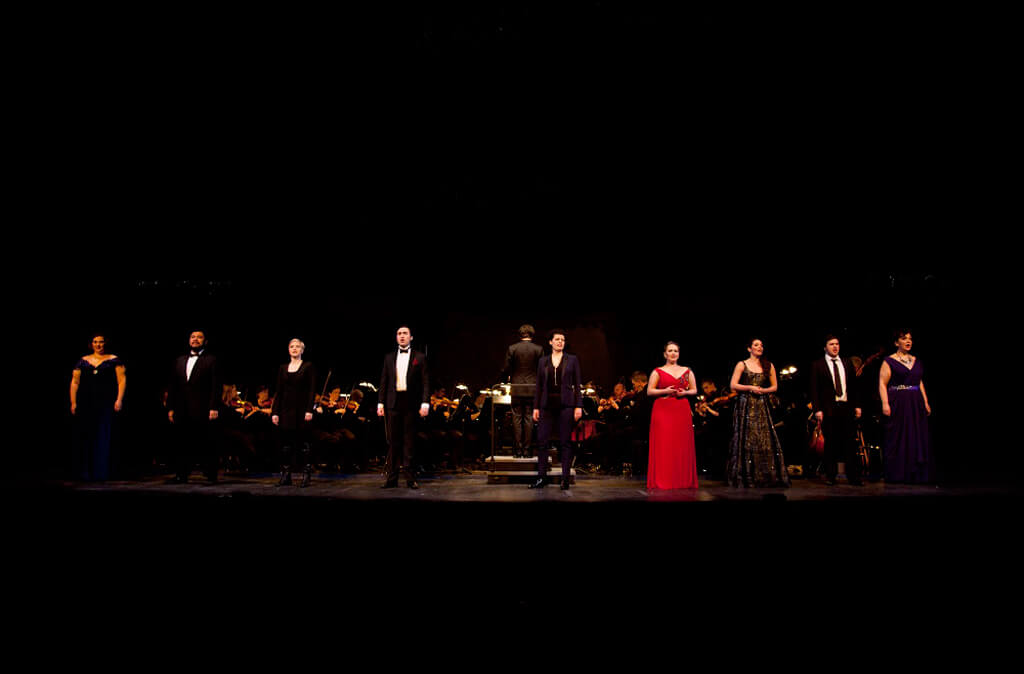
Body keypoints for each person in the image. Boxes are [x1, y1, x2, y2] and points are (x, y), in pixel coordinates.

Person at [727, 338, 789, 488]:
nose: (760, 347)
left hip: (761, 404)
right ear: (749, 348)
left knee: (763, 438)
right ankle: (746, 475)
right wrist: (750, 388)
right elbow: (733, 385)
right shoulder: (742, 364)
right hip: (746, 404)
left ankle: (765, 475)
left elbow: (774, 387)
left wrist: (763, 391)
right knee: (747, 438)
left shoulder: (768, 365)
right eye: (756, 345)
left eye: (761, 345)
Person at [377, 326, 430, 489]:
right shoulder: (389, 357)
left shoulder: (420, 357)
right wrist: (380, 402)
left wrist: (425, 402)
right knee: (393, 442)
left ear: (411, 337)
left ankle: (410, 477)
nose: (402, 336)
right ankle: (391, 479)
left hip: (411, 402)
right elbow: (384, 381)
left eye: (405, 333)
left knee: (409, 442)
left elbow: (425, 382)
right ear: (396, 337)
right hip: (393, 402)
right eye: (399, 334)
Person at [879, 329, 933, 483]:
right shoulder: (889, 360)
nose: (908, 341)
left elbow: (919, 382)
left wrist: (926, 401)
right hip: (898, 401)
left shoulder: (916, 360)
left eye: (910, 338)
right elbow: (882, 383)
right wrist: (885, 403)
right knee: (899, 435)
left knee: (916, 435)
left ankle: (916, 473)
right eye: (904, 339)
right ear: (897, 343)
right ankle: (898, 473)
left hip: (915, 402)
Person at [530, 329, 583, 490]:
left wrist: (578, 406)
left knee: (565, 442)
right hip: (546, 406)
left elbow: (577, 385)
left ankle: (565, 478)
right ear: (550, 342)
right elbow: (539, 387)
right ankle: (541, 478)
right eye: (557, 339)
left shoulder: (572, 360)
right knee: (542, 442)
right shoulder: (543, 361)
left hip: (566, 406)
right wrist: (536, 407)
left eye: (563, 340)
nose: (560, 342)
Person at [167, 330, 221, 483]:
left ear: (205, 341)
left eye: (199, 337)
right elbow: (173, 386)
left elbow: (216, 385)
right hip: (182, 408)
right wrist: (171, 407)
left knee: (206, 441)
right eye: (192, 337)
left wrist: (214, 407)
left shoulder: (211, 360)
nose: (195, 339)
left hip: (203, 408)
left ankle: (210, 474)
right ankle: (181, 474)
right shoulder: (179, 360)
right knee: (182, 442)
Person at [69, 334, 126, 481]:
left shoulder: (113, 360)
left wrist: (119, 400)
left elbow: (121, 380)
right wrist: (73, 402)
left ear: (105, 343)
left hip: (106, 403)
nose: (98, 345)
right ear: (91, 344)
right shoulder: (83, 361)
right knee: (86, 436)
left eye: (101, 342)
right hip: (86, 402)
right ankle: (85, 472)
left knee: (104, 436)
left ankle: (102, 472)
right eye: (95, 342)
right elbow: (75, 382)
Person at [810, 335, 864, 486]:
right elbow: (814, 389)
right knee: (831, 443)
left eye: (837, 344)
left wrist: (857, 405)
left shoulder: (846, 362)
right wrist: (817, 409)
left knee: (850, 442)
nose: (835, 346)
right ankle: (830, 475)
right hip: (829, 408)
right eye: (831, 344)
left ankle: (854, 476)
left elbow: (854, 386)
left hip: (846, 406)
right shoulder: (818, 365)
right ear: (825, 347)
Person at [646, 342, 699, 489]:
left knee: (681, 445)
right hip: (663, 410)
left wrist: (685, 393)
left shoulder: (687, 371)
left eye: (676, 351)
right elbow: (650, 391)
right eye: (670, 350)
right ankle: (664, 479)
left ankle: (682, 480)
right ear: (665, 354)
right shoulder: (658, 371)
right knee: (665, 444)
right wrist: (665, 391)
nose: (673, 353)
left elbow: (694, 390)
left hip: (681, 410)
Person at [272, 339, 318, 487]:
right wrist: (275, 412)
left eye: (297, 346)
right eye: (292, 346)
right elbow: (279, 391)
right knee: (286, 445)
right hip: (286, 410)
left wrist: (309, 409)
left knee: (304, 444)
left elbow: (312, 390)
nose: (294, 349)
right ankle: (286, 475)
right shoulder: (282, 368)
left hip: (302, 410)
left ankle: (306, 475)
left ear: (302, 350)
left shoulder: (308, 366)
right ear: (288, 349)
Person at [502, 324, 544, 458]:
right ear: (532, 334)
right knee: (529, 419)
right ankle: (527, 451)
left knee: (516, 418)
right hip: (532, 389)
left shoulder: (512, 348)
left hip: (516, 388)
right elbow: (542, 371)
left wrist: (506, 379)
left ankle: (517, 451)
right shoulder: (538, 349)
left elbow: (506, 368)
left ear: (520, 334)